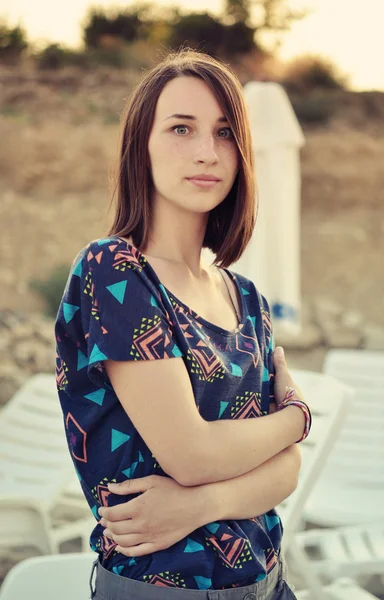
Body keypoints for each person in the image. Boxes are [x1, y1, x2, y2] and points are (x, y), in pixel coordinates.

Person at [54, 48, 311, 600]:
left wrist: (203, 503)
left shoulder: (246, 298)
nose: (206, 152)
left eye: (224, 133)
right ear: (140, 149)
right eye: (180, 128)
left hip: (269, 582)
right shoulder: (114, 272)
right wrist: (296, 416)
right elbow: (190, 454)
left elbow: (287, 472)